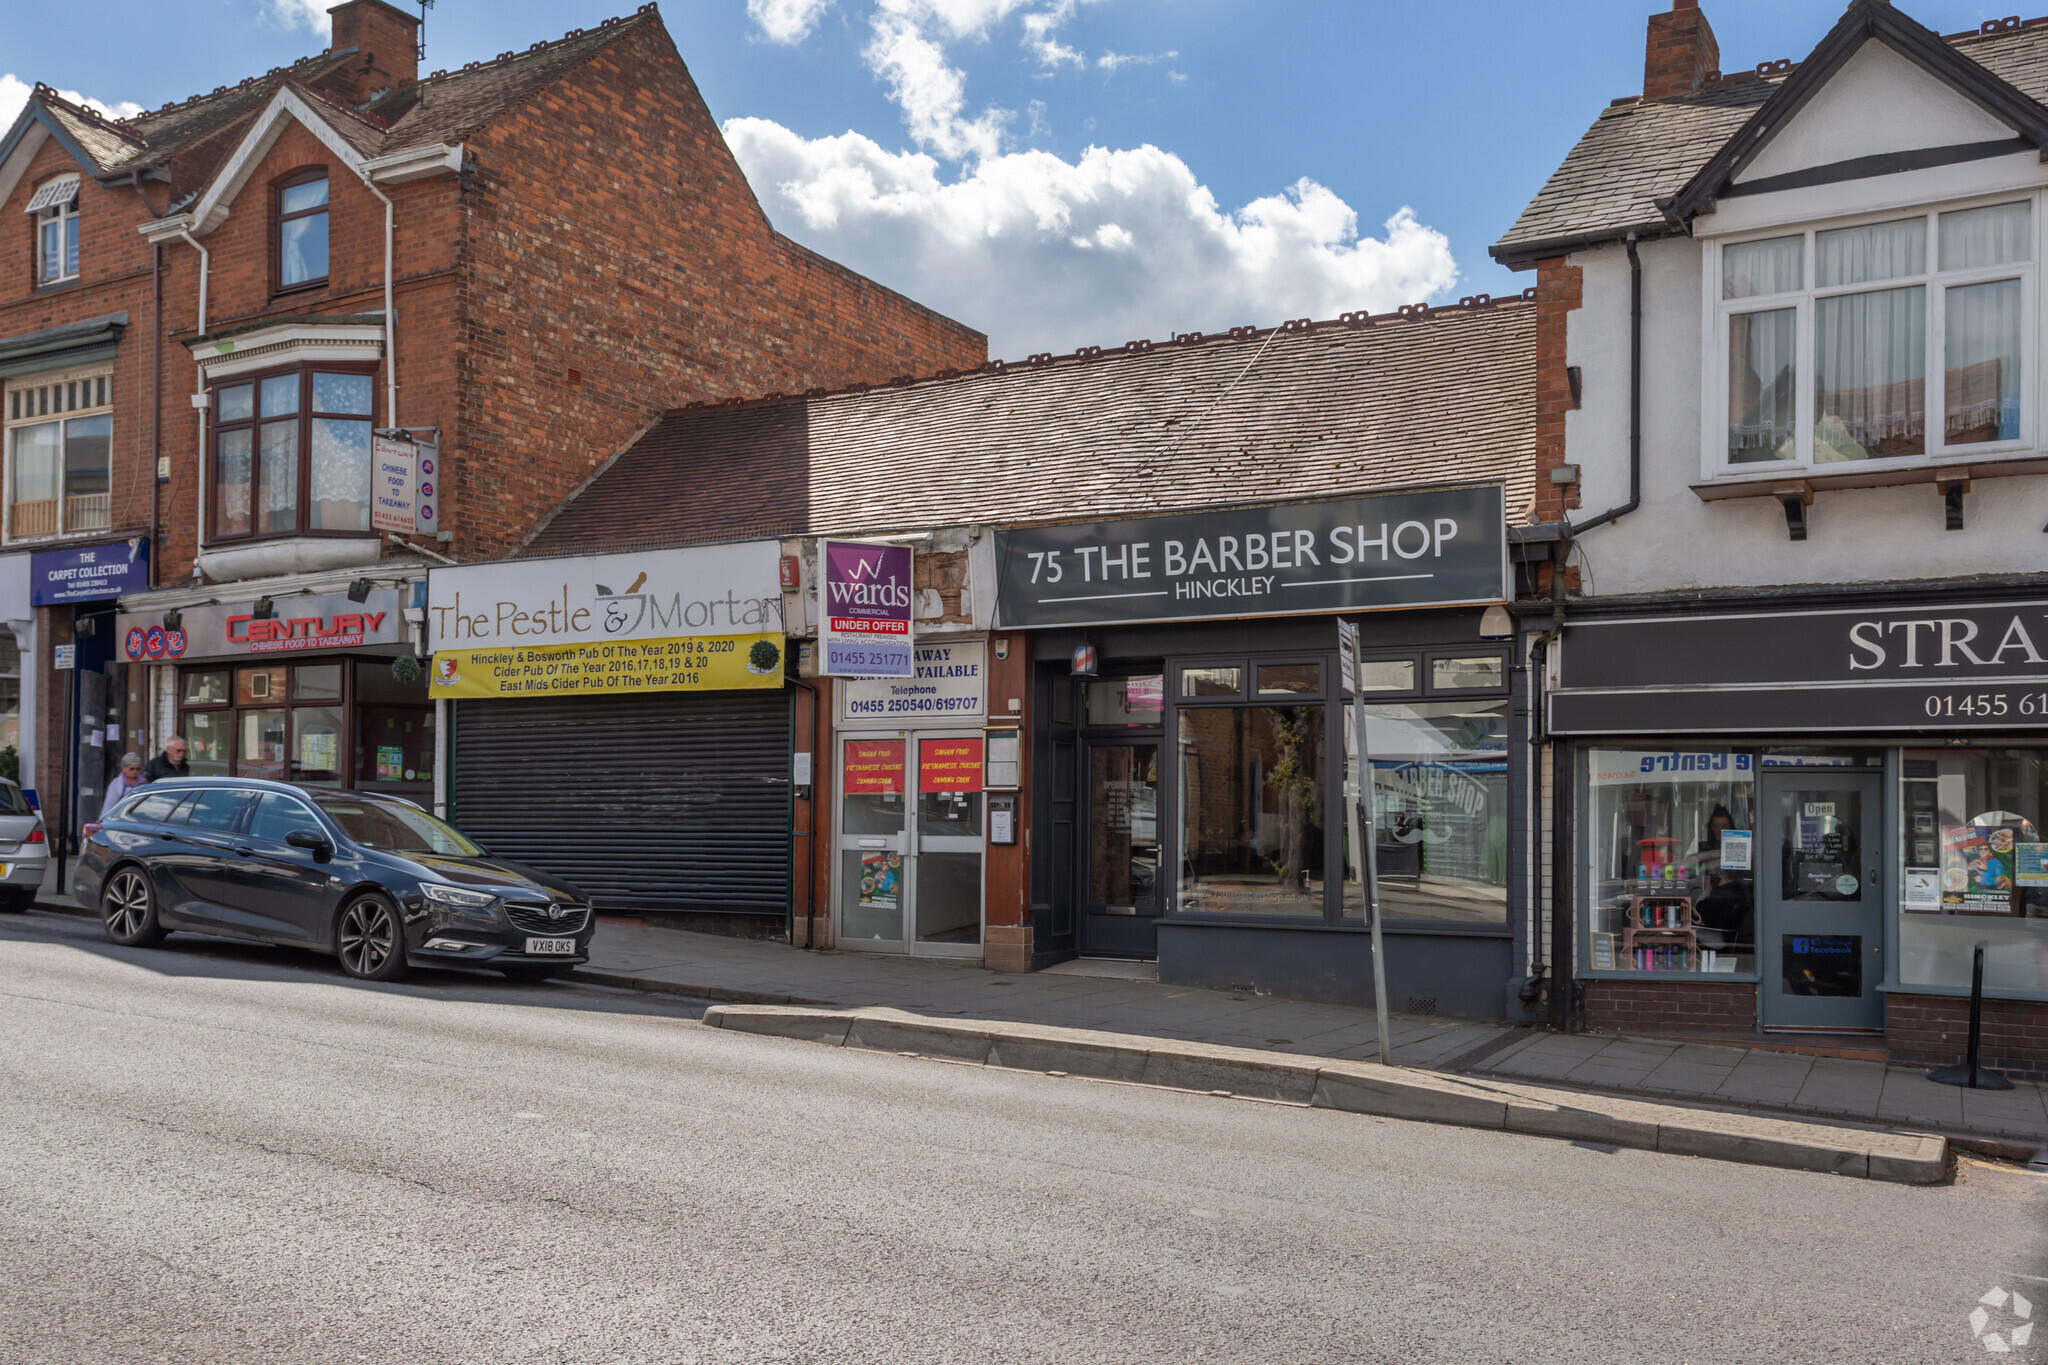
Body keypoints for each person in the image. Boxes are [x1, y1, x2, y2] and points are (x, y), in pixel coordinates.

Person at [100, 753, 143, 819]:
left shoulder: (143, 783)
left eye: (137, 769)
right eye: (132, 769)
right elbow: (109, 806)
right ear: (123, 768)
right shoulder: (116, 784)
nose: (135, 771)